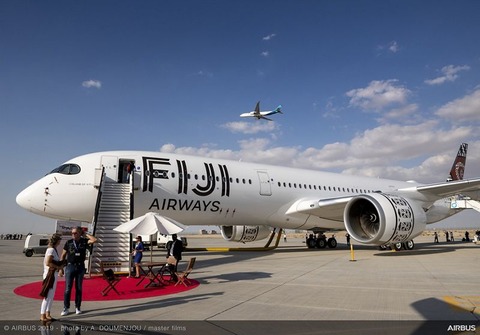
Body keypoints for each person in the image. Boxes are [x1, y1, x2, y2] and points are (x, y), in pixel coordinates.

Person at [60, 227, 97, 316]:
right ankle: (66, 308)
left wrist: (85, 234)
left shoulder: (84, 241)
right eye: (72, 233)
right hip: (70, 266)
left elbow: (94, 240)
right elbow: (63, 255)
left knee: (79, 288)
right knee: (68, 289)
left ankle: (78, 307)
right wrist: (61, 268)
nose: (73, 234)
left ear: (80, 233)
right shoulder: (68, 242)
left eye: (75, 233)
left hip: (80, 267)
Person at [40, 233, 64, 322]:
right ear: (57, 241)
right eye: (59, 240)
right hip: (49, 275)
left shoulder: (53, 249)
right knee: (47, 295)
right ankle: (42, 315)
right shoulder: (51, 250)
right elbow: (48, 263)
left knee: (51, 295)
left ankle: (48, 313)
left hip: (53, 275)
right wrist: (59, 267)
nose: (60, 242)